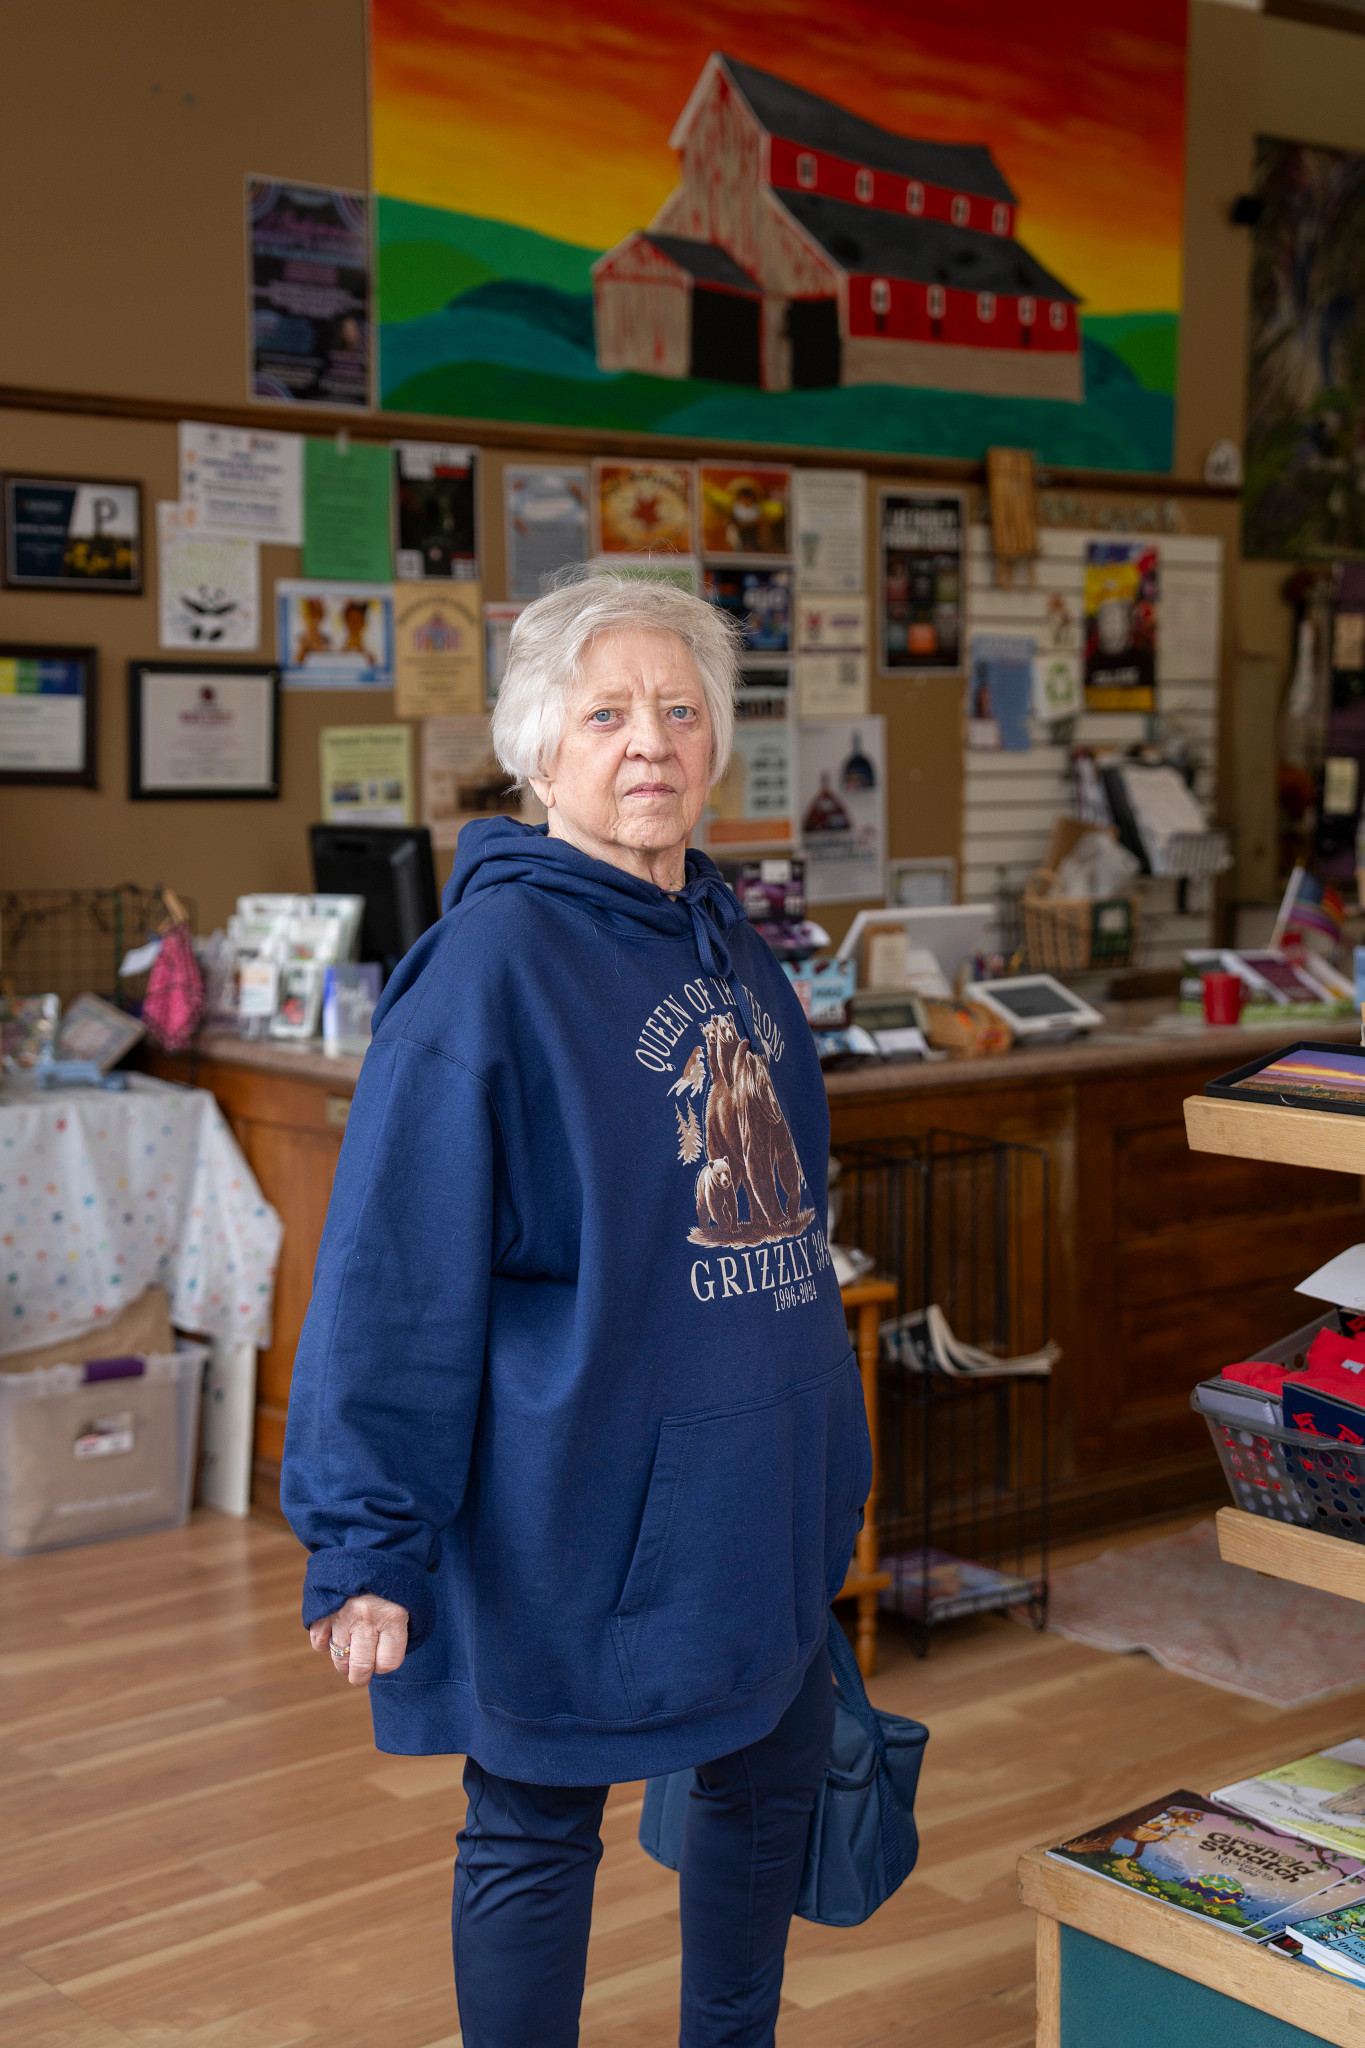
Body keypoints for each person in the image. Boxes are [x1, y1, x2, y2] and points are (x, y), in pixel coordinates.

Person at [282, 572, 872, 2048]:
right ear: (537, 751)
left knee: (767, 1785)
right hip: (576, 1503)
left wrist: (828, 1469)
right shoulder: (483, 973)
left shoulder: (738, 952)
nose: (649, 742)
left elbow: (788, 1230)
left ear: (717, 741)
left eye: (679, 709)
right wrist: (368, 1541)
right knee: (535, 1827)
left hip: (758, 1505)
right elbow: (392, 1278)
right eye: (606, 714)